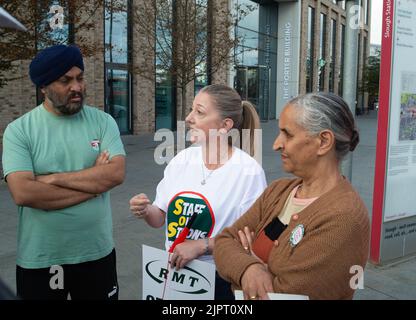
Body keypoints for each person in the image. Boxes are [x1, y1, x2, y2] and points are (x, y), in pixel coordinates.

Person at [214, 92, 370, 300]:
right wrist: (251, 268)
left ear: (323, 141)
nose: (276, 144)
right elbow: (224, 242)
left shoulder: (344, 218)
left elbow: (280, 296)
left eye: (287, 134)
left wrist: (242, 261)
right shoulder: (278, 191)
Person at [2, 45, 126, 300]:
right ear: (44, 87)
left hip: (96, 253)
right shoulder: (19, 131)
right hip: (42, 259)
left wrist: (53, 179)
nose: (77, 87)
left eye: (80, 78)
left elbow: (115, 174)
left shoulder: (103, 122)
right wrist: (94, 182)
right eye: (65, 80)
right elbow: (24, 193)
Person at [129, 84, 267, 300]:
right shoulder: (182, 160)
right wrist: (146, 210)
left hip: (220, 280)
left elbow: (250, 238)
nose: (189, 118)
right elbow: (159, 218)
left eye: (199, 112)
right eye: (192, 109)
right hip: (173, 273)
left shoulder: (248, 172)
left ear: (225, 125)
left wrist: (202, 246)